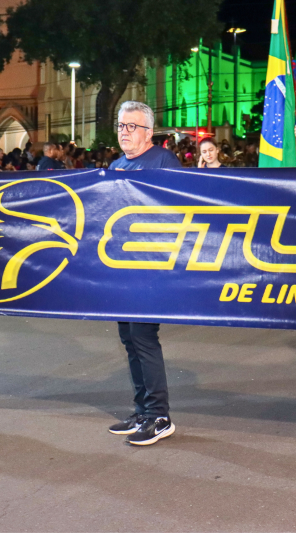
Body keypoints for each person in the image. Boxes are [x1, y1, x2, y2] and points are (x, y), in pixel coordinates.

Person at [107, 101, 180, 446]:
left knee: (144, 337)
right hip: (122, 270)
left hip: (152, 268)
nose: (124, 131)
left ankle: (159, 415)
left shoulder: (164, 162)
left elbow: (179, 211)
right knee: (130, 339)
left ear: (148, 133)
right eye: (121, 125)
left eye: (131, 126)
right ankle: (142, 411)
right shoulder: (115, 166)